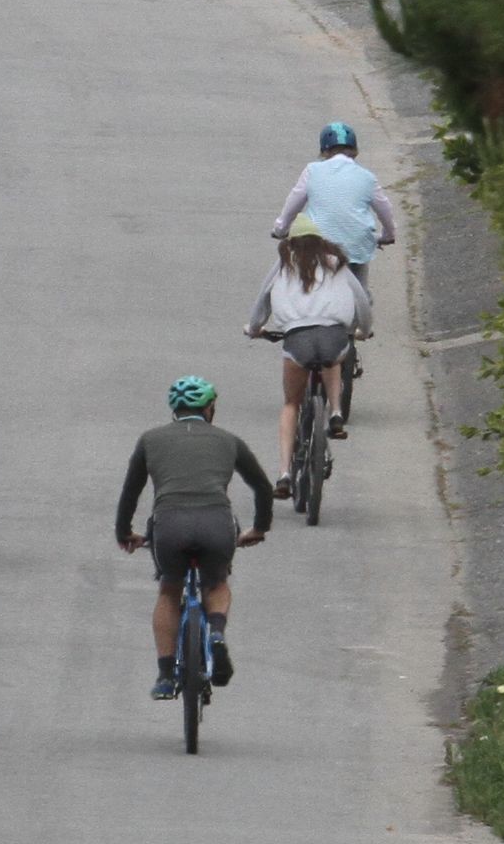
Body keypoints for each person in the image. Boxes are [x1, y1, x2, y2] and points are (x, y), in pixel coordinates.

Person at [115, 377, 273, 700]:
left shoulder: (150, 439)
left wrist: (124, 532)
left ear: (174, 409)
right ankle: (216, 632)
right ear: (210, 408)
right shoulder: (229, 440)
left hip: (170, 526)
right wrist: (259, 528)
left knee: (169, 590)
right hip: (215, 523)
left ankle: (165, 676)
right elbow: (262, 487)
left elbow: (130, 492)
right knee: (216, 583)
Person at [247, 213, 372, 492]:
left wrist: (254, 328)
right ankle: (336, 411)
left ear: (290, 243)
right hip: (333, 335)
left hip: (297, 339)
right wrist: (364, 329)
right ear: (321, 241)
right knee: (333, 357)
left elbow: (262, 300)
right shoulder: (337, 263)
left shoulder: (284, 264)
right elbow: (361, 301)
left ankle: (284, 474)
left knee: (291, 404)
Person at [271, 121, 396, 286]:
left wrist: (281, 229)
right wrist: (388, 235)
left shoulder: (312, 171)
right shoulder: (367, 177)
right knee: (360, 291)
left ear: (324, 151)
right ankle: (363, 300)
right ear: (355, 150)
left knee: (290, 279)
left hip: (320, 245)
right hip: (355, 246)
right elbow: (385, 209)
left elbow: (294, 203)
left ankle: (266, 302)